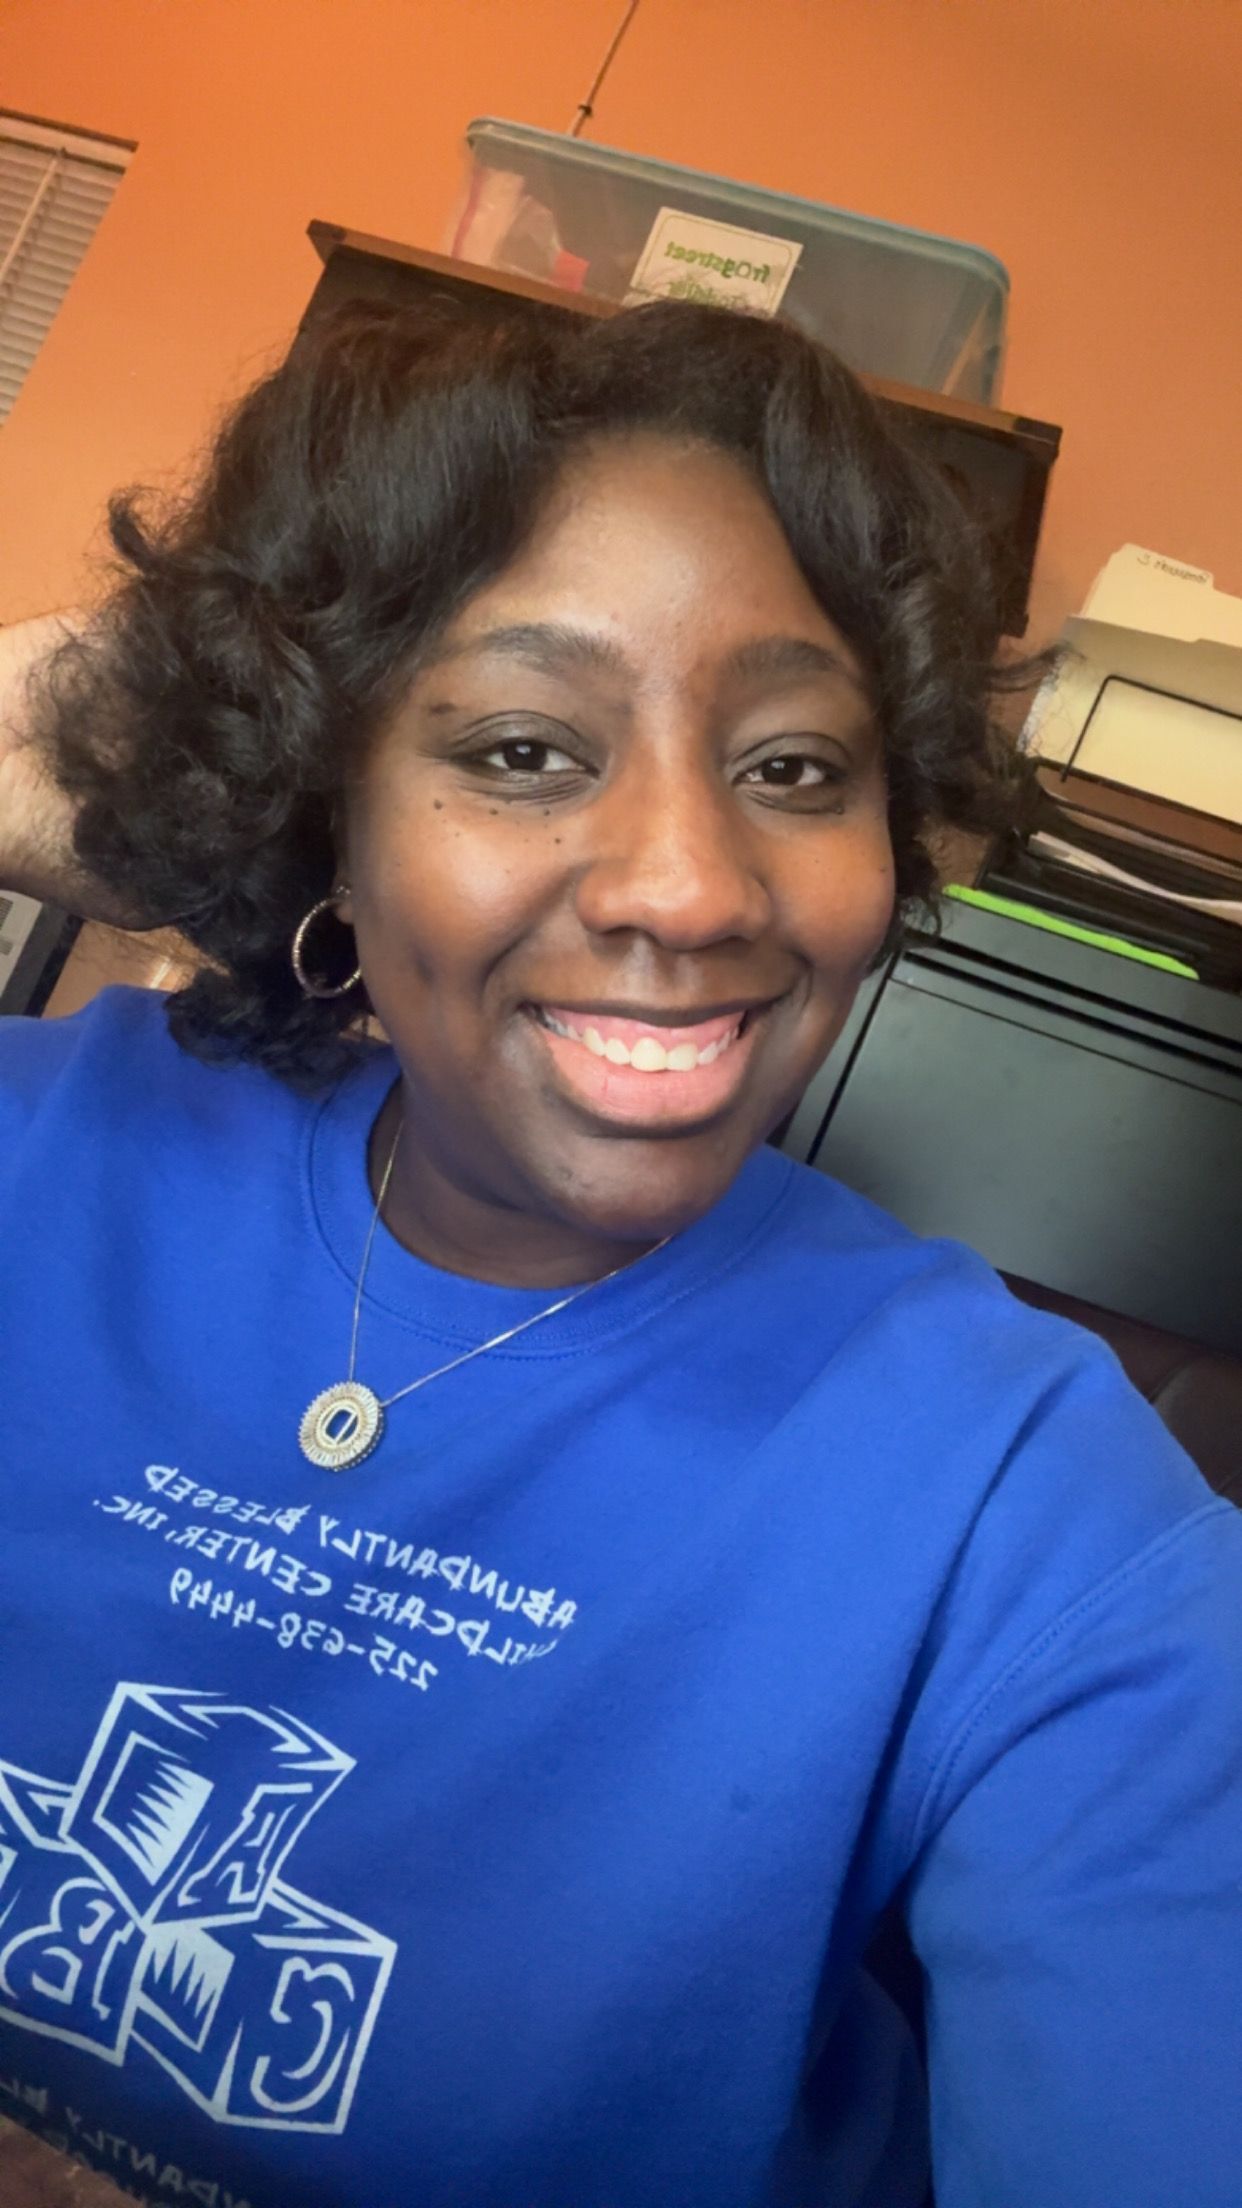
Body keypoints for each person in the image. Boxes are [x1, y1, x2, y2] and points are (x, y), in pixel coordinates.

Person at [0, 298, 1238, 2208]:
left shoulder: (1038, 1520)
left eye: (797, 768)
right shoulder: (43, 1146)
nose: (688, 885)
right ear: (323, 798)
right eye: (519, 746)